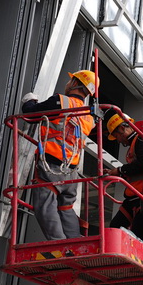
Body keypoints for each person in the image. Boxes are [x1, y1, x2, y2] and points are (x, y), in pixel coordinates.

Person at [21, 70, 98, 240]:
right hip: (71, 169)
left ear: (76, 83)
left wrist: (29, 100)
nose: (67, 83)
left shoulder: (61, 101)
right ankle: (74, 243)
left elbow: (31, 113)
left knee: (45, 204)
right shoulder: (89, 117)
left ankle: (59, 244)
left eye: (71, 80)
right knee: (65, 207)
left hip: (52, 163)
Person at [102, 109, 143, 242]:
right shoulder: (136, 143)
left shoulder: (141, 139)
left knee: (139, 232)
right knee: (116, 226)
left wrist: (120, 171)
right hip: (135, 197)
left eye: (116, 135)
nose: (118, 140)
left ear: (122, 128)